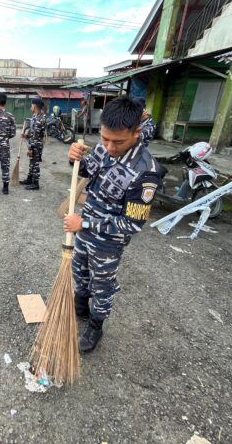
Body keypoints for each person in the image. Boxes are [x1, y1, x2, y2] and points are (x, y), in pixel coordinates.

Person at [64, 96, 163, 353]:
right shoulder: (104, 146)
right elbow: (86, 171)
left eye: (117, 141)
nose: (109, 147)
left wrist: (84, 222)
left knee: (102, 286)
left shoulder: (146, 172)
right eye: (105, 138)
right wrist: (74, 158)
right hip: (83, 231)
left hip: (107, 242)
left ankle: (96, 326)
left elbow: (132, 224)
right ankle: (81, 306)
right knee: (80, 273)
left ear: (136, 132)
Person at [20, 97, 46, 190]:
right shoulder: (35, 116)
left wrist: (31, 148)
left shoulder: (40, 118)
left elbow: (36, 135)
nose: (31, 106)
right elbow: (32, 132)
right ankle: (30, 179)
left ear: (34, 106)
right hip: (33, 143)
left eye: (32, 104)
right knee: (31, 162)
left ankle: (35, 183)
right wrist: (26, 135)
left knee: (35, 163)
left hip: (36, 145)